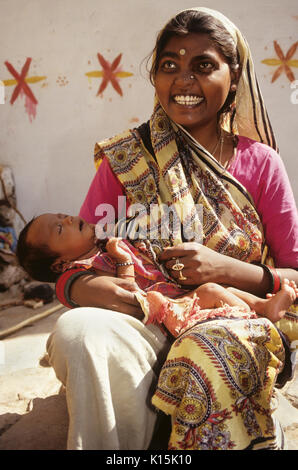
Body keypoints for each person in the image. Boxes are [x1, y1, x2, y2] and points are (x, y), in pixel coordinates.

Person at [42, 7, 298, 450]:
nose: (183, 80)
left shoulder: (261, 164)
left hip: (232, 318)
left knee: (211, 351)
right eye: (169, 66)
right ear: (155, 77)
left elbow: (295, 275)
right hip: (145, 317)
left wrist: (226, 270)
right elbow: (78, 261)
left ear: (234, 76)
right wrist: (96, 290)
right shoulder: (127, 159)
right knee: (78, 333)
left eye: (203, 66)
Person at [17, 213, 298, 338]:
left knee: (219, 287)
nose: (66, 219)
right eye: (58, 229)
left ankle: (263, 305)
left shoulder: (105, 241)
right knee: (212, 291)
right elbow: (130, 300)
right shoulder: (76, 277)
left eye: (61, 215)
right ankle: (259, 319)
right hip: (164, 317)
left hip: (176, 297)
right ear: (59, 265)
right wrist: (124, 260)